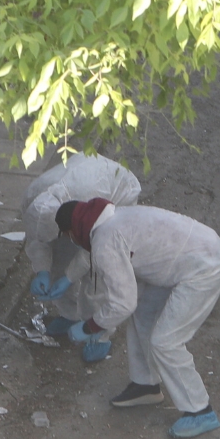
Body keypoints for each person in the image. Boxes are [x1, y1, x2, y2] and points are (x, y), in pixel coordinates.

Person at [56, 198, 220, 439]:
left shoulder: (105, 239)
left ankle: (200, 410)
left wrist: (88, 326)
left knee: (166, 341)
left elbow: (122, 302)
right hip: (191, 253)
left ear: (72, 230)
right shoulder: (113, 218)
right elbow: (125, 292)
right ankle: (145, 384)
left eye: (68, 236)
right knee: (144, 314)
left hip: (203, 267)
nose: (72, 241)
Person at [23, 153, 144, 362]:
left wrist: (70, 277)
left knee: (98, 274)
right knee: (59, 258)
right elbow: (37, 238)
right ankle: (70, 315)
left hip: (117, 191)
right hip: (76, 200)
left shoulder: (92, 199)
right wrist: (43, 270)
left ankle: (99, 333)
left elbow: (95, 249)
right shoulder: (32, 200)